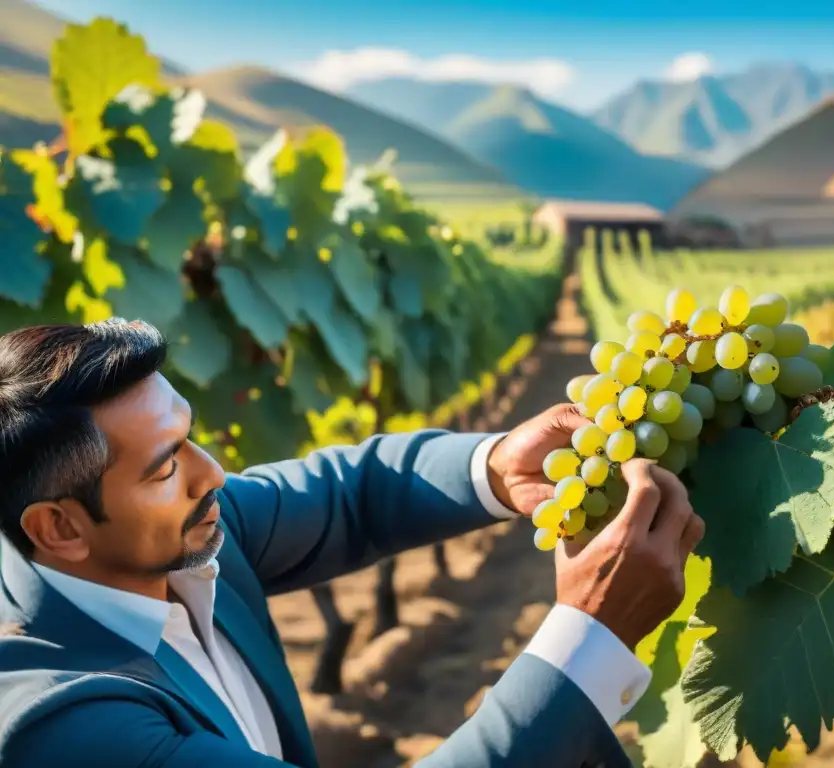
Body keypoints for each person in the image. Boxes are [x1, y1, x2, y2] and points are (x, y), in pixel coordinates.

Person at [0, 318, 704, 768]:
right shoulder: (63, 722)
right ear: (58, 529)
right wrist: (587, 638)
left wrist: (493, 466)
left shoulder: (178, 540)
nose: (212, 473)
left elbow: (350, 494)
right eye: (165, 466)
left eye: (191, 436)